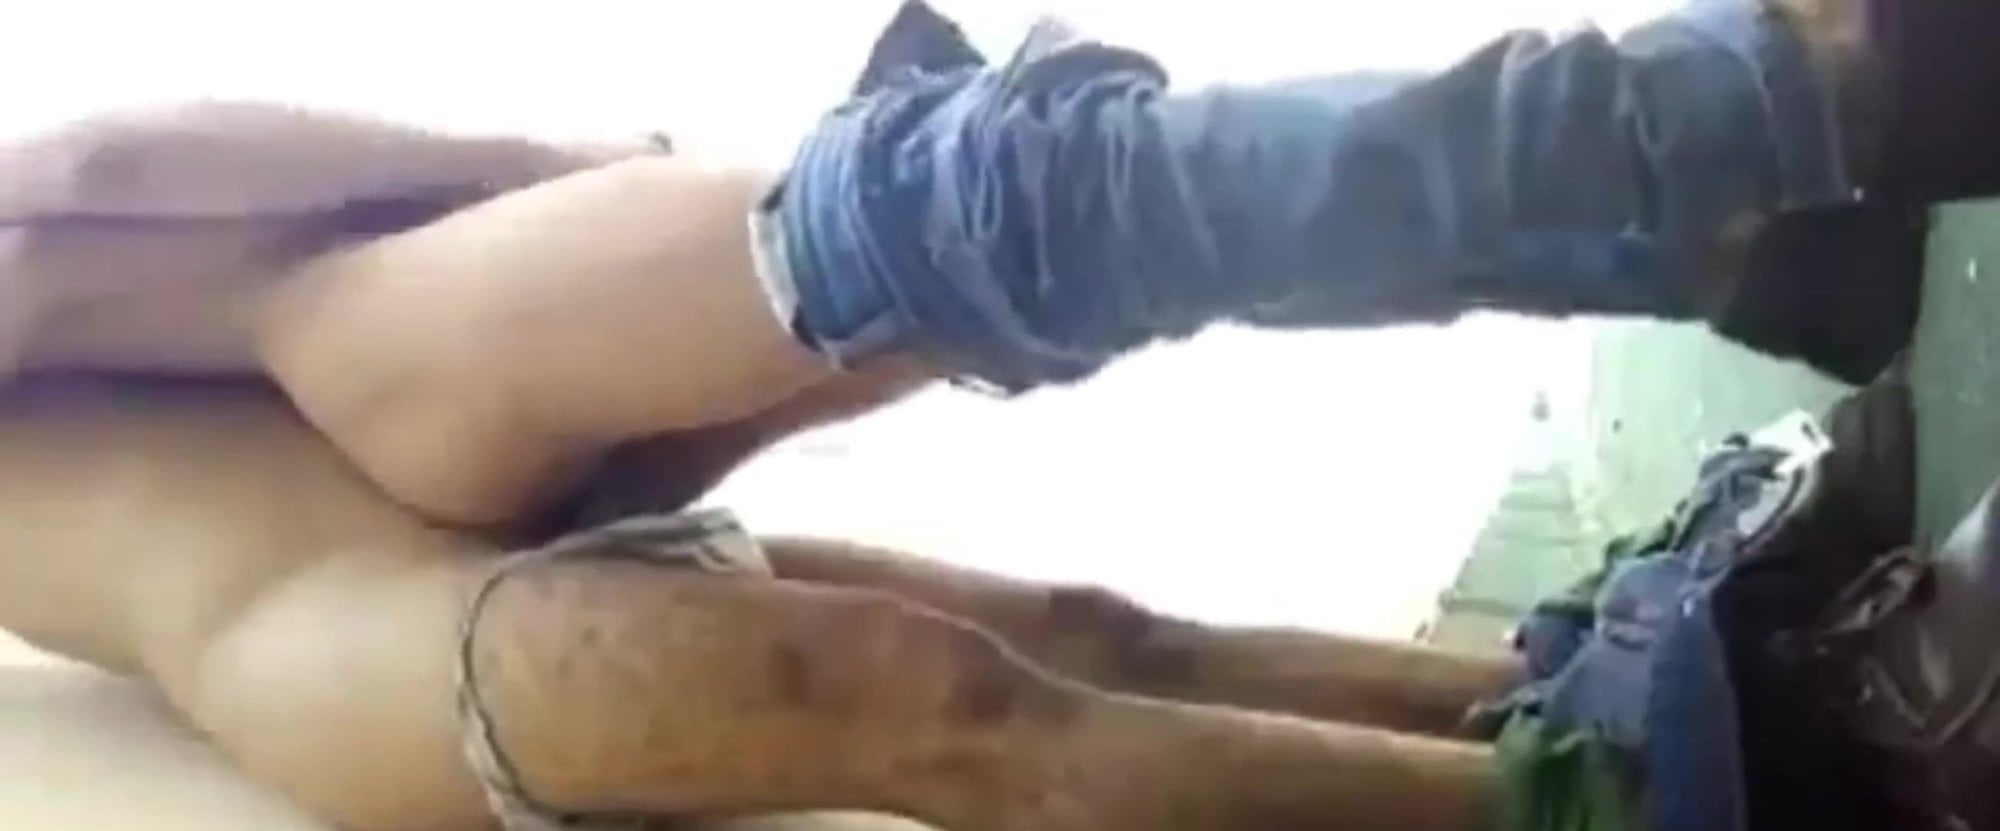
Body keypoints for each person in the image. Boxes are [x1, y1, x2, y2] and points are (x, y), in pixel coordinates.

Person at [3, 0, 1994, 532]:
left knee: (1119, 248)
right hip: (404, 319)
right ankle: (1806, 94)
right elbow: (103, 160)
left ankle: (1745, 262)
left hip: (409, 437)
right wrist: (555, 165)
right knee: (1068, 203)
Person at [0, 373, 1518, 831]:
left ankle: (1558, 693)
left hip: (554, 519)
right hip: (366, 634)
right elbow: (89, 187)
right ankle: (1607, 797)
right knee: (960, 716)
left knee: (1098, 630)